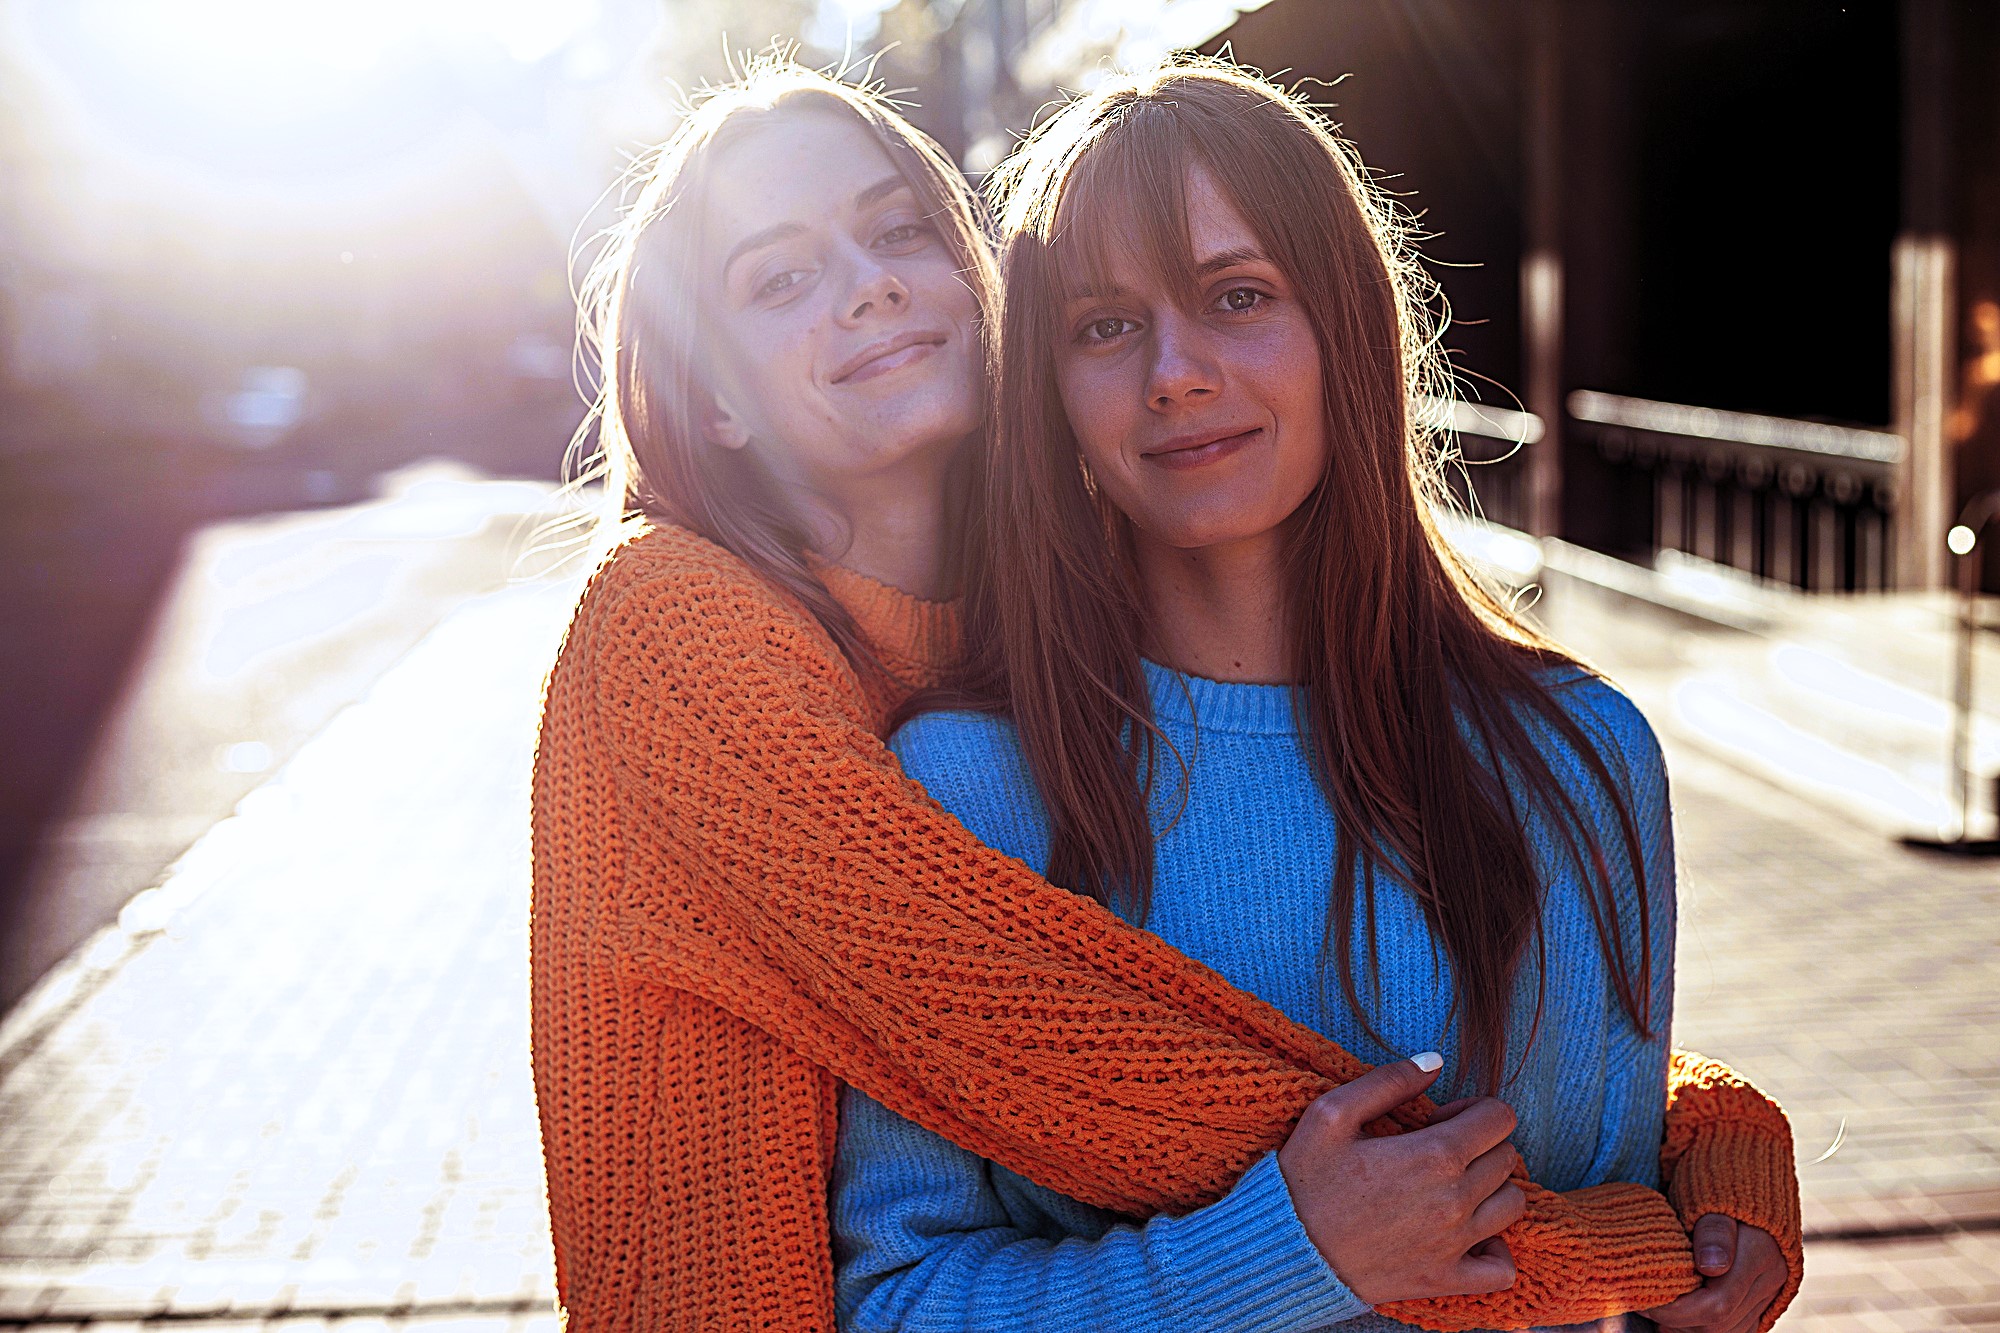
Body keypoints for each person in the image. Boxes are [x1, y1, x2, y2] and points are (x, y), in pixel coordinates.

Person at [529, 57, 1801, 1332]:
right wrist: (1463, 1243)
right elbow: (1034, 1039)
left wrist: (1707, 1133)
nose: (1176, 371)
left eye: (1239, 295)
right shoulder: (722, 657)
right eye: (1101, 324)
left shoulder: (1579, 761)